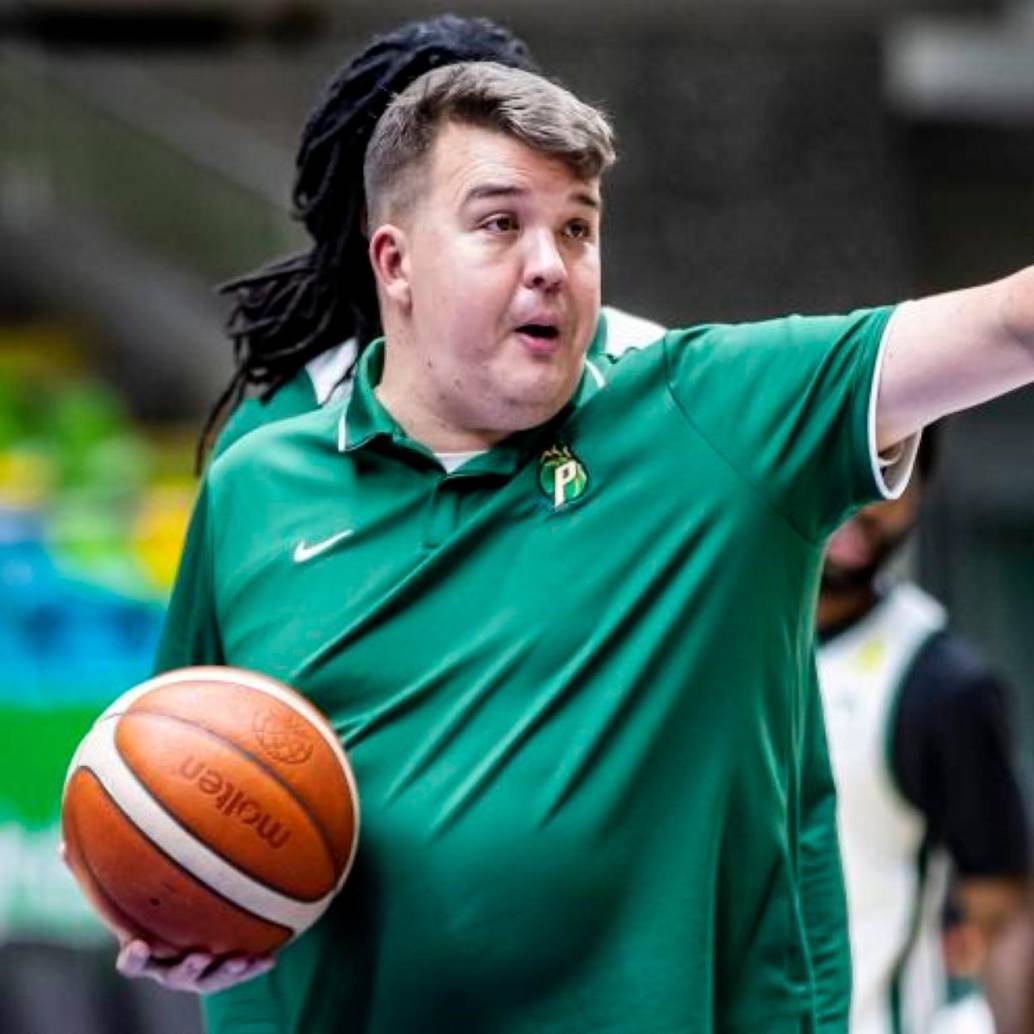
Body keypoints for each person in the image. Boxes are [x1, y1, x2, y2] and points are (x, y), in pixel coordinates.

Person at [114, 58, 1034, 1033]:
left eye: (578, 226)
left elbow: (1009, 323)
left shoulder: (706, 417)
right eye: (500, 222)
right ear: (394, 263)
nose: (550, 261)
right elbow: (175, 773)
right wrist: (176, 897)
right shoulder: (257, 484)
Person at [201, 14, 662, 467]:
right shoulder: (277, 443)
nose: (546, 265)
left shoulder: (658, 381)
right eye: (498, 221)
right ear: (381, 233)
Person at [817, 434, 1034, 1034]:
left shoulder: (941, 685)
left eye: (898, 468)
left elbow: (1006, 917)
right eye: (848, 459)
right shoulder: (707, 636)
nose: (868, 496)